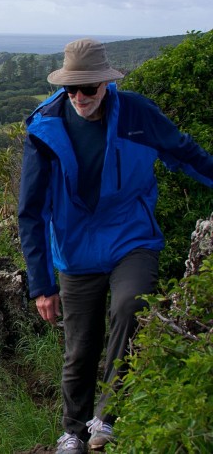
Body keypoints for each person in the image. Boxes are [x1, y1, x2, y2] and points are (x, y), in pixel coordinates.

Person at [17, 38, 213, 453]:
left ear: (106, 83)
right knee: (81, 344)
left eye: (89, 88)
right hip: (76, 248)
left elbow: (184, 151)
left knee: (130, 304)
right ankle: (73, 431)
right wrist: (41, 284)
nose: (80, 97)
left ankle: (106, 417)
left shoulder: (137, 114)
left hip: (131, 237)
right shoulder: (44, 126)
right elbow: (30, 212)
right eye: (72, 88)